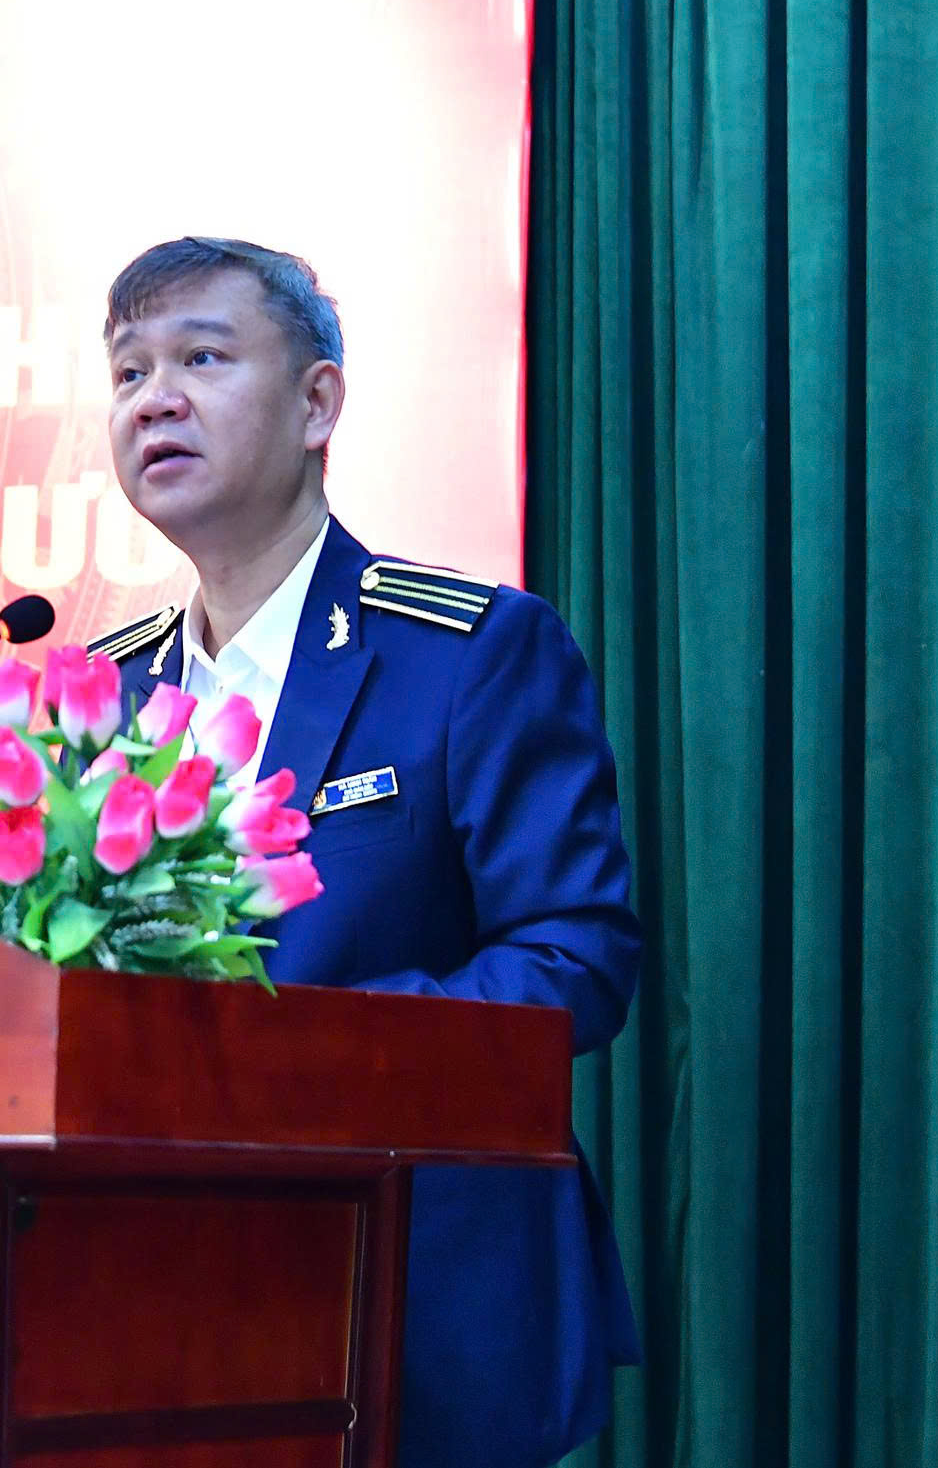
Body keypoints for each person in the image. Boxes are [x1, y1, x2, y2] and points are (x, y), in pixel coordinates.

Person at [91, 235, 641, 1468]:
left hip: (414, 1295)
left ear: (317, 403)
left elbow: (575, 960)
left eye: (201, 358)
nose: (153, 398)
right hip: (145, 1309)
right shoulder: (97, 700)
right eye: (128, 372)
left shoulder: (469, 651)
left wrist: (299, 1053)